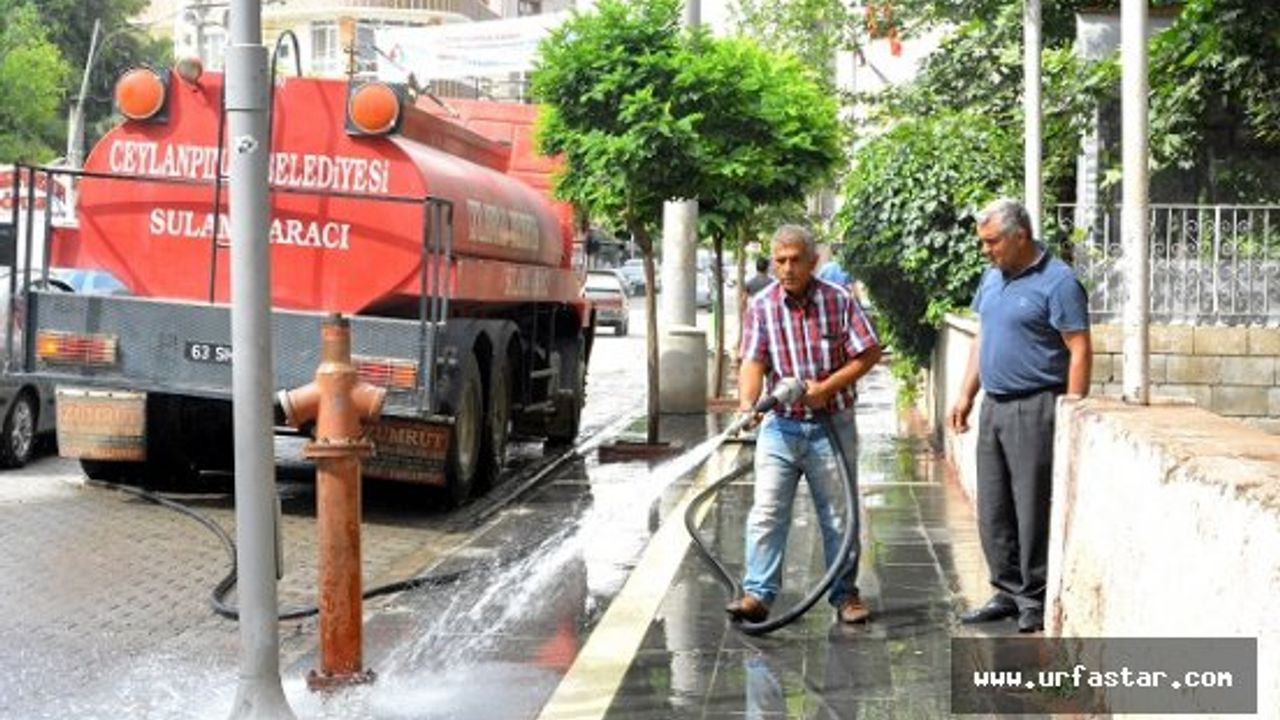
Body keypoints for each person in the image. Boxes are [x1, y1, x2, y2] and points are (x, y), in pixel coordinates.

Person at [948, 198, 1093, 634]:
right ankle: (1006, 591)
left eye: (992, 241)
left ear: (1020, 236)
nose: (986, 250)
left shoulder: (1059, 281)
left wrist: (1070, 408)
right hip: (994, 404)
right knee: (994, 506)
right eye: (984, 242)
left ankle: (1033, 597)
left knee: (1030, 505)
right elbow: (982, 337)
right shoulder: (992, 278)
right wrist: (965, 394)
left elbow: (1079, 347)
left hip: (1036, 405)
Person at [727, 224, 882, 625]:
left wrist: (827, 388)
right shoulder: (762, 306)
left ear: (813, 262)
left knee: (837, 516)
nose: (788, 268)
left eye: (796, 260)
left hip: (831, 425)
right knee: (767, 511)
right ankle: (757, 595)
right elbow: (754, 360)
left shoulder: (839, 301)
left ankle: (845, 596)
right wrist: (750, 403)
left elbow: (867, 354)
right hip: (781, 427)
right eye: (781, 260)